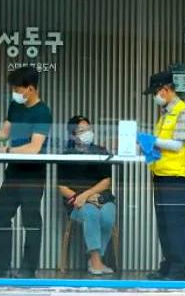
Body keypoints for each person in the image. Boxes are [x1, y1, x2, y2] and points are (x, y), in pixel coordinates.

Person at [0, 66, 52, 279]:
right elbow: (5, 134)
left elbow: (35, 147)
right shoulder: (14, 105)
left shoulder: (43, 112)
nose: (15, 92)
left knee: (31, 221)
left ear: (30, 89)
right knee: (1, 215)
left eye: (18, 88)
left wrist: (9, 150)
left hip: (32, 174)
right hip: (12, 172)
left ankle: (27, 270)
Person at [143, 71, 185, 281]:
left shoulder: (183, 112)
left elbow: (177, 144)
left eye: (156, 92)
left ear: (165, 89)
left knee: (176, 225)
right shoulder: (166, 112)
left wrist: (151, 140)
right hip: (162, 175)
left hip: (177, 177)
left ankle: (177, 270)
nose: (155, 97)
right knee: (164, 225)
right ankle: (167, 265)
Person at [57, 116, 116, 276]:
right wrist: (82, 198)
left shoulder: (101, 151)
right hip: (76, 202)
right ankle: (97, 262)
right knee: (91, 213)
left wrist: (88, 195)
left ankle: (94, 259)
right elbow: (62, 187)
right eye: (82, 131)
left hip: (101, 198)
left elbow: (106, 181)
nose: (87, 133)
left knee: (108, 215)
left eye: (89, 130)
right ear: (72, 135)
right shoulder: (66, 155)